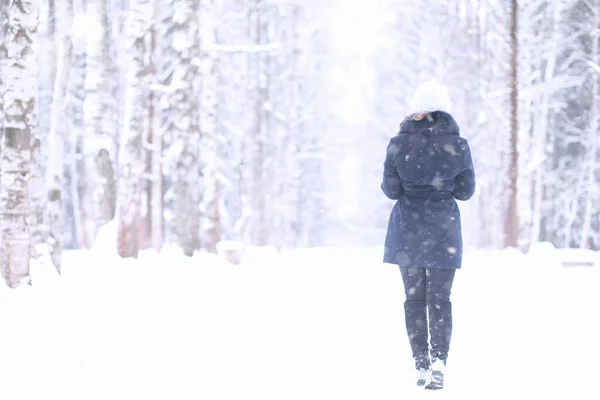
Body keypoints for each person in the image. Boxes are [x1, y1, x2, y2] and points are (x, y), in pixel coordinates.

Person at [381, 81, 476, 390]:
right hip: (444, 231)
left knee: (413, 300)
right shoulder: (458, 145)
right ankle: (439, 362)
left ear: (416, 110)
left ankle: (420, 364)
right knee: (440, 298)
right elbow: (465, 192)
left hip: (407, 229)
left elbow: (391, 190)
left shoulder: (398, 144)